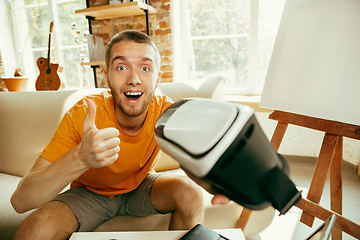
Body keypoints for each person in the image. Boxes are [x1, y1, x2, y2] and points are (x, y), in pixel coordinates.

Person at [10, 30, 204, 240]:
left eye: (145, 68)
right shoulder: (83, 114)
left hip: (141, 186)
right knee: (34, 231)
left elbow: (207, 151)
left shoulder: (167, 113)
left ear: (157, 78)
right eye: (121, 67)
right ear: (106, 77)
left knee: (190, 194)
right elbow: (20, 201)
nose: (134, 79)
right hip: (88, 193)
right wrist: (81, 157)